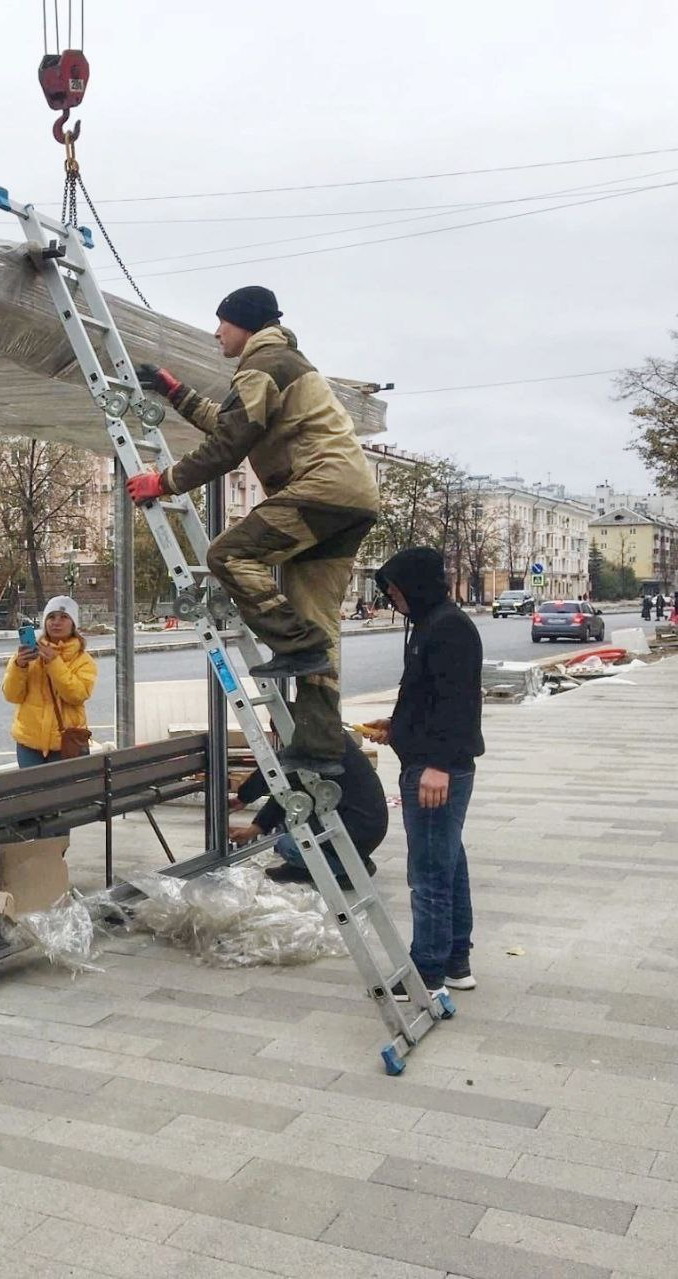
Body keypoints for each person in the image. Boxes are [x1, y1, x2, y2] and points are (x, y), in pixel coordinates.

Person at [128, 286, 380, 777]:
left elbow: (227, 447)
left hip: (322, 490)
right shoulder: (280, 363)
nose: (216, 331)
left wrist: (163, 481)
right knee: (320, 628)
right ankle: (321, 748)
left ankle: (293, 643)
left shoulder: (265, 363)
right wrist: (172, 388)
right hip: (350, 499)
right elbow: (232, 424)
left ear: (245, 323)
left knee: (229, 555)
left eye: (222, 322)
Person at [367, 547, 484, 998]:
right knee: (448, 865)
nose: (391, 597)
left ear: (415, 585)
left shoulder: (448, 627)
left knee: (430, 873)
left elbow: (457, 705)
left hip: (438, 770)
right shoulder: (431, 625)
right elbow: (429, 699)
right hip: (429, 761)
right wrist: (395, 728)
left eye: (394, 589)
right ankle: (455, 961)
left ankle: (427, 971)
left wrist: (437, 764)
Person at [230, 733, 388, 889]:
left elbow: (277, 771)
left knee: (288, 845)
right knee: (296, 809)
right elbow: (288, 791)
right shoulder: (332, 737)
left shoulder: (313, 745)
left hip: (357, 831)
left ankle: (344, 870)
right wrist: (255, 829)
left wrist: (244, 797)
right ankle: (351, 861)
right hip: (366, 829)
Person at [2, 595, 97, 767]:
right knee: (32, 792)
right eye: (51, 617)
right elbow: (11, 695)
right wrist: (19, 665)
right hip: (29, 744)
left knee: (65, 793)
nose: (56, 622)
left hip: (65, 744)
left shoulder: (83, 660)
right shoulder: (28, 655)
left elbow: (76, 695)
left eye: (63, 617)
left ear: (73, 624)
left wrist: (54, 663)